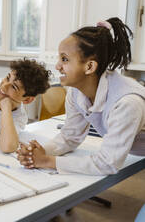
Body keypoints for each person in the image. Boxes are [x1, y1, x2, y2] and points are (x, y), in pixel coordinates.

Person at [17, 17, 145, 175]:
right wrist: (39, 152)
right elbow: (70, 137)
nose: (57, 66)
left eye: (64, 59)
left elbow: (107, 163)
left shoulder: (127, 102)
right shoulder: (76, 92)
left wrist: (47, 161)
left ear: (89, 66)